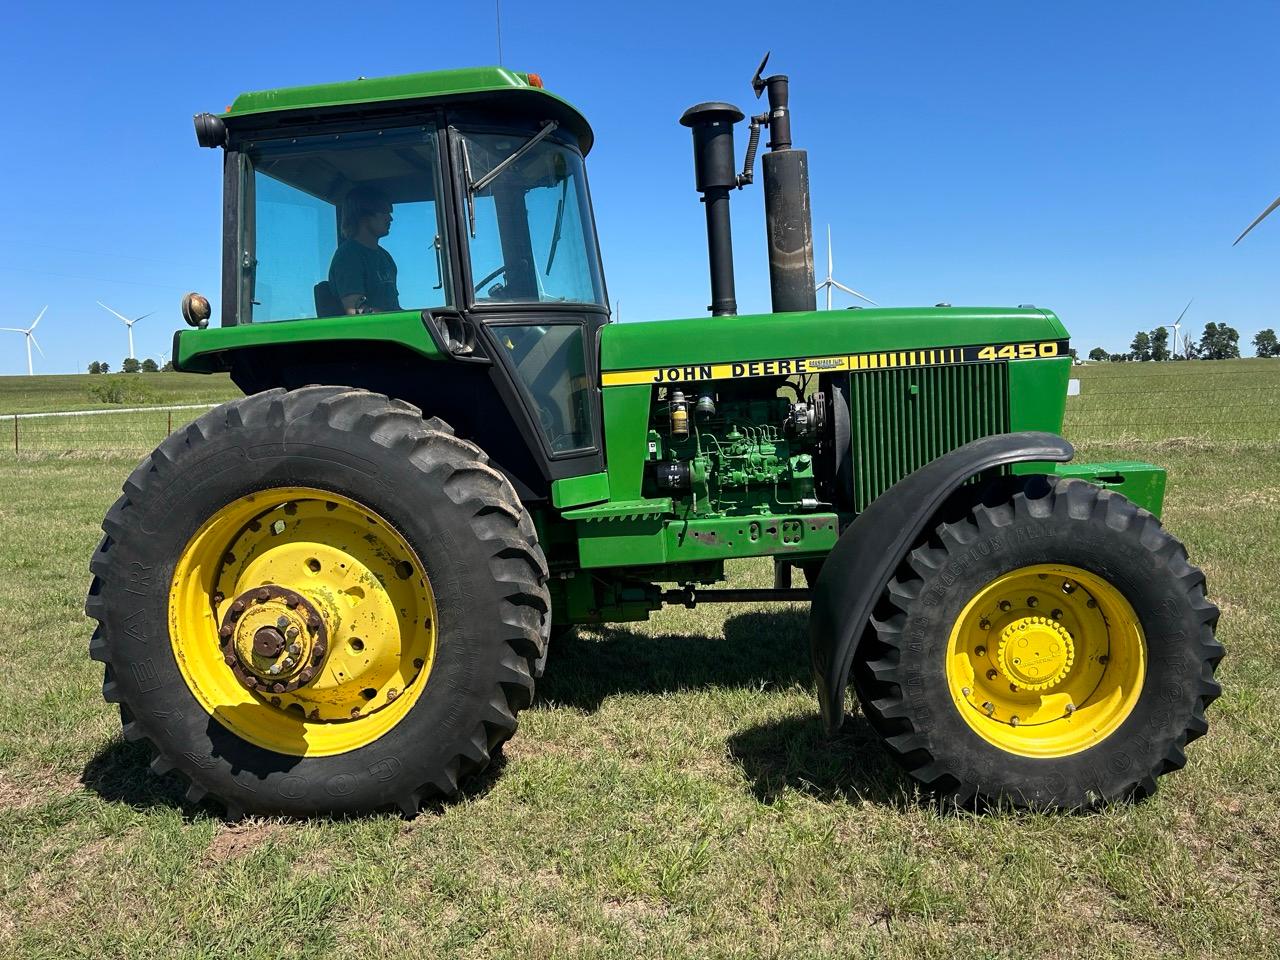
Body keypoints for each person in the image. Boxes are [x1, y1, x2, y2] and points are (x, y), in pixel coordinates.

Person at [328, 186, 401, 314]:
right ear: (363, 215)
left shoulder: (385, 257)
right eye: (383, 212)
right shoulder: (348, 256)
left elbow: (394, 308)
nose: (390, 218)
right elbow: (355, 311)